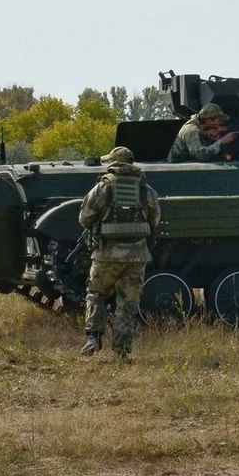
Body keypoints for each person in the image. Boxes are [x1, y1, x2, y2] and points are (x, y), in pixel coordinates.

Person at [79, 146, 161, 360]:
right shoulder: (146, 190)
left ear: (113, 164)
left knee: (96, 293)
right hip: (137, 256)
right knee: (128, 303)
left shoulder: (102, 188)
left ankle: (93, 338)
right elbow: (155, 220)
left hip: (107, 253)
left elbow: (85, 218)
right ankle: (122, 352)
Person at [168, 102, 239, 162]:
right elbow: (201, 155)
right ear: (209, 121)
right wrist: (222, 141)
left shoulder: (199, 129)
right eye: (219, 120)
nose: (221, 122)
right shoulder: (191, 130)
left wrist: (208, 136)